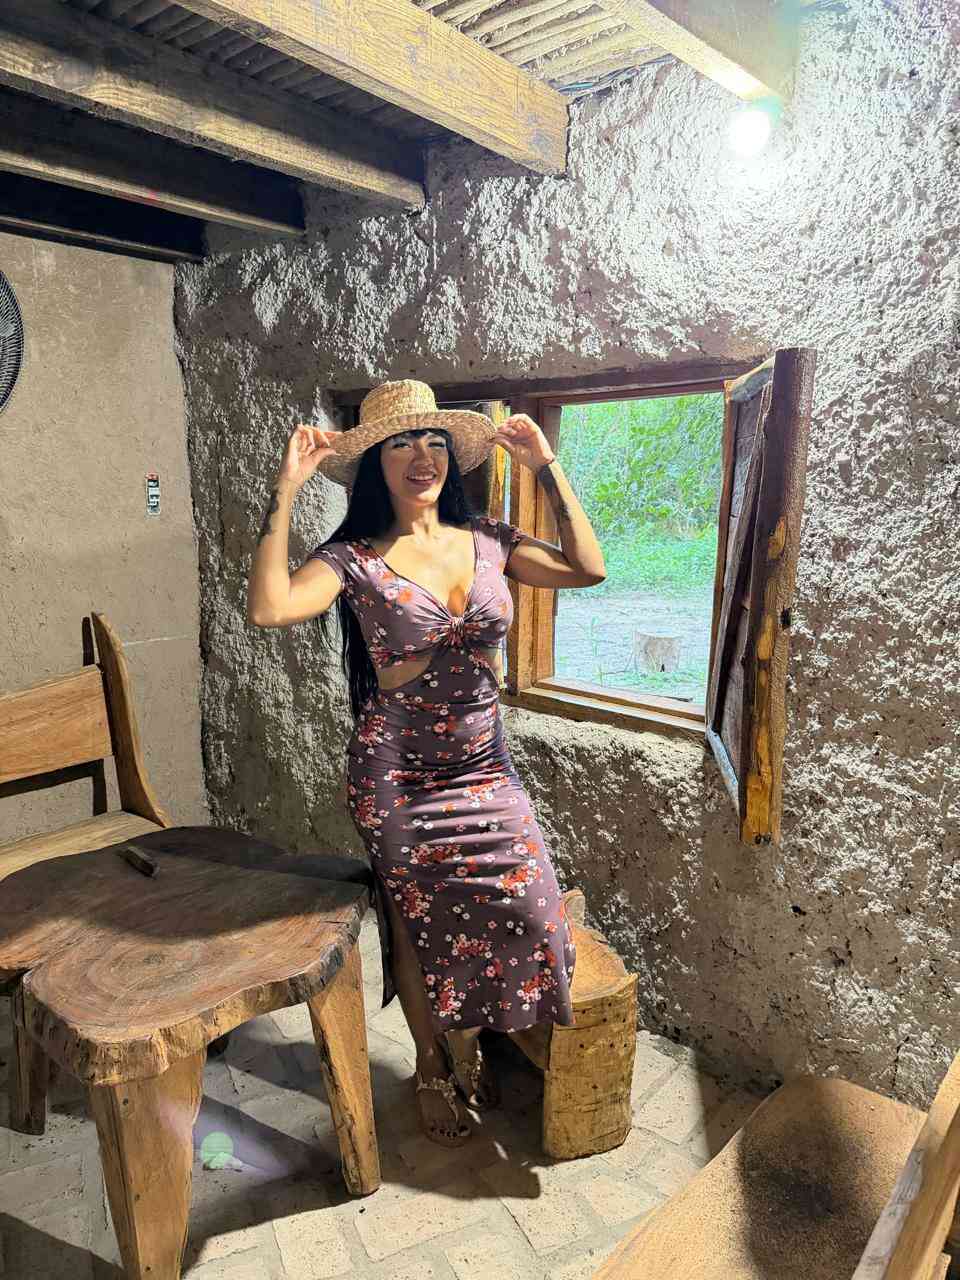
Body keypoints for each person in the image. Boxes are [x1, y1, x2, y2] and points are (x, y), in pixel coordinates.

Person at [247, 378, 606, 1147]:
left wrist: (547, 468)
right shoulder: (351, 559)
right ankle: (432, 1066)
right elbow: (270, 606)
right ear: (375, 462)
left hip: (483, 765)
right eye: (403, 442)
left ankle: (471, 1032)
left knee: (532, 908)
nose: (423, 456)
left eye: (436, 440)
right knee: (417, 925)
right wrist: (284, 490)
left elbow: (588, 567)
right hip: (397, 774)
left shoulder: (491, 541)